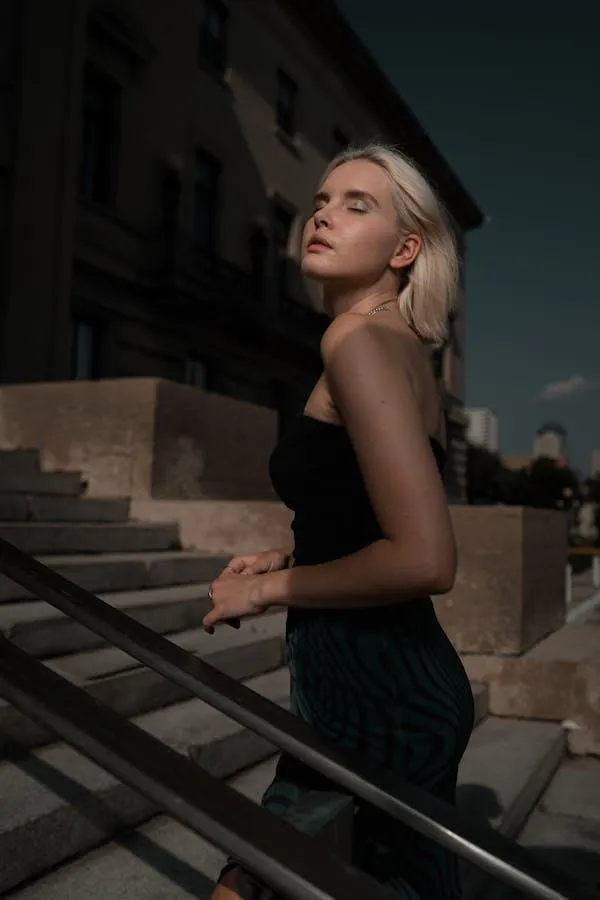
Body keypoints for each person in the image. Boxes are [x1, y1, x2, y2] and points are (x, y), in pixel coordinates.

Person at [205, 142, 475, 899]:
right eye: (322, 201)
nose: (322, 215)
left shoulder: (357, 342)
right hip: (372, 686)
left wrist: (267, 591)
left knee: (252, 878)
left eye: (358, 204)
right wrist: (287, 552)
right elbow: (366, 511)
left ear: (405, 247)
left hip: (377, 697)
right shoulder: (396, 346)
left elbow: (427, 558)